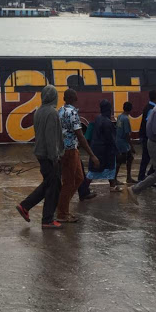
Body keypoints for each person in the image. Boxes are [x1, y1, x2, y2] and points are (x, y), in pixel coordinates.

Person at [16, 85, 64, 229]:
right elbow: (50, 137)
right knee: (53, 187)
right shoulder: (52, 113)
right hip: (49, 155)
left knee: (50, 183)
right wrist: (54, 157)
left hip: (40, 153)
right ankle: (47, 220)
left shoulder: (38, 111)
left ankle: (24, 206)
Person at [56, 89, 100, 223]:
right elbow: (80, 135)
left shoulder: (60, 111)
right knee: (69, 182)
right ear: (74, 97)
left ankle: (63, 206)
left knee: (79, 178)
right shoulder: (73, 112)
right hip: (70, 151)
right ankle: (62, 213)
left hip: (64, 149)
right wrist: (92, 155)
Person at [86, 100, 120, 192]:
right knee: (95, 172)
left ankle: (112, 186)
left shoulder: (98, 118)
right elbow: (111, 139)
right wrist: (116, 150)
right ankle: (84, 189)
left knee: (108, 169)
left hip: (96, 148)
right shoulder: (107, 122)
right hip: (105, 151)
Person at [138, 90, 156, 181]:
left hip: (146, 136)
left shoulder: (148, 107)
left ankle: (144, 176)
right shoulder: (152, 109)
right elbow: (149, 124)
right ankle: (145, 176)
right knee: (151, 158)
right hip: (148, 138)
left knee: (148, 158)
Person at [115, 102, 137, 185]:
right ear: (130, 109)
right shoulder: (126, 119)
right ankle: (115, 179)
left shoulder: (120, 116)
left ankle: (128, 177)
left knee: (130, 158)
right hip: (123, 144)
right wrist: (132, 146)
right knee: (120, 161)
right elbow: (127, 134)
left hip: (118, 141)